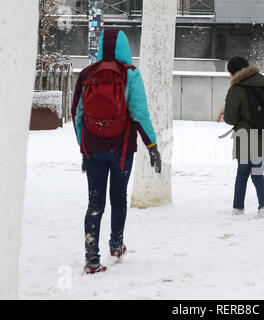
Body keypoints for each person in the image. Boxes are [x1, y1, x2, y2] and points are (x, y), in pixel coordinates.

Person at [71, 29, 161, 274]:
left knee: (94, 202)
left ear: (100, 47)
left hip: (93, 149)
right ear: (125, 48)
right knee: (118, 197)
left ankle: (91, 259)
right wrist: (152, 146)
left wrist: (83, 148)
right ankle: (116, 244)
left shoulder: (88, 74)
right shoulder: (130, 74)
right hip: (122, 149)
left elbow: (77, 114)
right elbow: (139, 114)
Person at [217, 56, 264, 218]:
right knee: (257, 173)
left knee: (242, 173)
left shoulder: (236, 88)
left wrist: (228, 112)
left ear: (232, 72)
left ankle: (238, 207)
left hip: (245, 136)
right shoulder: (263, 84)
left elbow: (231, 118)